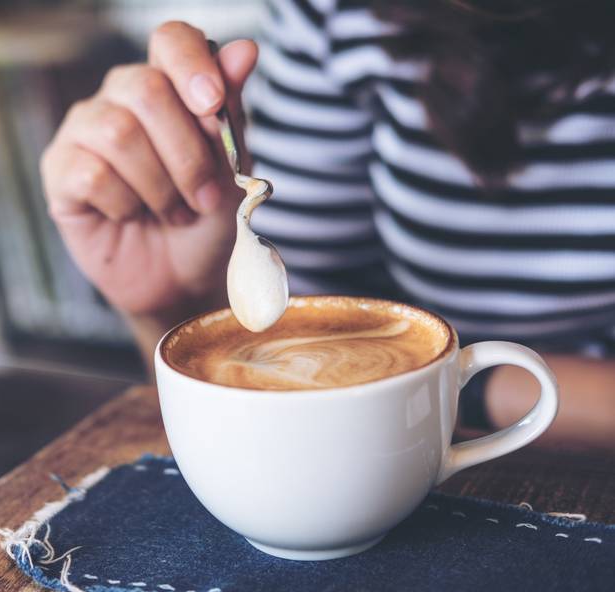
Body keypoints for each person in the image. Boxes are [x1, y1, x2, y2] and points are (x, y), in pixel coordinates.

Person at [40, 0, 615, 449]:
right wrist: (174, 308)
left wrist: (458, 389)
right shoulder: (340, 12)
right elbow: (291, 353)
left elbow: (334, 396)